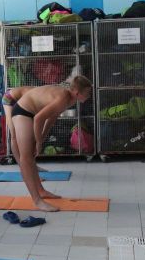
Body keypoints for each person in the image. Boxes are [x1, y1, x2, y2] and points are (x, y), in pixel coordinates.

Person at [11, 71, 92, 212]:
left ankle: (41, 191)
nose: (89, 95)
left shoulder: (69, 99)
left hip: (31, 112)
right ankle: (37, 200)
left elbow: (51, 118)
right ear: (77, 93)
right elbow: (39, 119)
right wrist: (38, 142)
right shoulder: (63, 97)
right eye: (87, 92)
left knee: (30, 157)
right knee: (26, 158)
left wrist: (41, 138)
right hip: (22, 111)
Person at [1, 85, 47, 173]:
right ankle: (22, 166)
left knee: (29, 136)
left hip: (21, 104)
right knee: (14, 134)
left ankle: (31, 165)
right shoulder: (35, 94)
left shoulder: (43, 99)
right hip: (9, 99)